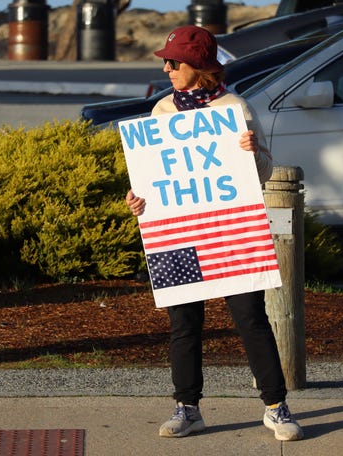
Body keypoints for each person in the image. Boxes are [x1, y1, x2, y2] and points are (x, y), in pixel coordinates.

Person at [126, 25, 304, 442]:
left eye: (174, 62)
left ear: (198, 67)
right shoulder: (163, 112)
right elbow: (153, 179)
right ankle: (187, 408)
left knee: (250, 318)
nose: (167, 68)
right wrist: (138, 200)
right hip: (179, 233)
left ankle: (276, 406)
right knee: (183, 322)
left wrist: (252, 153)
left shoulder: (234, 108)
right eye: (166, 62)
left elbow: (263, 173)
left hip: (231, 229)